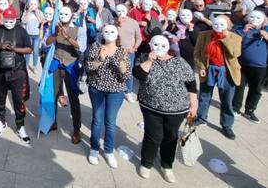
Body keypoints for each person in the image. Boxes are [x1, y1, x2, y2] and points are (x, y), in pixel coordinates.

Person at [134, 35, 198, 183]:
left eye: (163, 46)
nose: (159, 48)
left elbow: (191, 84)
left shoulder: (179, 62)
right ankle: (146, 163)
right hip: (150, 106)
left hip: (177, 109)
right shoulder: (143, 58)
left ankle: (166, 165)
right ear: (150, 44)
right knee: (153, 135)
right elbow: (138, 75)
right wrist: (150, 60)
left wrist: (193, 105)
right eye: (155, 44)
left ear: (169, 47)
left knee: (170, 137)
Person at [0, 7, 33, 144]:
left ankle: (20, 126)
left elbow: (29, 49)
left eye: (12, 20)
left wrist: (14, 49)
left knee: (19, 100)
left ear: (16, 19)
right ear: (3, 19)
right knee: (0, 98)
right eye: (7, 20)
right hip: (0, 71)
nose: (9, 23)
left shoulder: (21, 31)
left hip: (18, 71)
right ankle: (1, 121)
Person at [85, 24, 129, 168]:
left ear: (117, 35)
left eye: (112, 31)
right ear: (102, 34)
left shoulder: (122, 51)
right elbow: (89, 68)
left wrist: (121, 65)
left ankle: (109, 151)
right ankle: (94, 148)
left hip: (116, 92)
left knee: (110, 123)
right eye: (106, 31)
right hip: (97, 89)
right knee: (97, 120)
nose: (109, 34)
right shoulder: (96, 47)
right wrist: (100, 59)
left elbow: (127, 76)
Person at [194, 15, 242, 139]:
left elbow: (235, 53)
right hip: (209, 69)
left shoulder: (235, 37)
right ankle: (201, 118)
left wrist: (225, 38)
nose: (218, 27)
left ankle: (227, 126)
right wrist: (202, 67)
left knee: (226, 100)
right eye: (216, 24)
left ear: (228, 25)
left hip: (226, 72)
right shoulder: (204, 35)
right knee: (204, 96)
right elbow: (197, 53)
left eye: (222, 24)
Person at [45, 6, 82, 143]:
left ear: (72, 15)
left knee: (73, 99)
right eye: (61, 13)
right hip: (56, 64)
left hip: (71, 66)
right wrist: (55, 34)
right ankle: (53, 121)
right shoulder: (54, 27)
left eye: (67, 13)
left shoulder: (78, 29)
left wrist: (67, 37)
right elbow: (46, 43)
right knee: (53, 95)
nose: (63, 15)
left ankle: (77, 129)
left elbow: (81, 46)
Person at [233, 10, 267, 123]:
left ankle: (250, 110)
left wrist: (267, 37)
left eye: (258, 18)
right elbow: (231, 40)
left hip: (261, 66)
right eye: (252, 17)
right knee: (239, 87)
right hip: (242, 64)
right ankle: (235, 108)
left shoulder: (265, 30)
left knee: (256, 89)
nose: (254, 20)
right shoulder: (240, 28)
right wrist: (244, 31)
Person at [114, 4, 142, 103]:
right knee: (115, 70)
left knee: (128, 72)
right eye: (118, 10)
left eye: (122, 10)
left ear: (127, 11)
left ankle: (128, 92)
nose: (120, 12)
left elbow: (139, 38)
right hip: (115, 51)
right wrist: (117, 24)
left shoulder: (133, 22)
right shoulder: (113, 22)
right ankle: (116, 88)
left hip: (129, 52)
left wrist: (134, 48)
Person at [21, 0, 43, 71]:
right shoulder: (26, 12)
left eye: (35, 4)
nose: (33, 5)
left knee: (36, 51)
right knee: (28, 50)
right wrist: (28, 13)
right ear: (28, 5)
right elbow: (23, 21)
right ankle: (26, 65)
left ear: (37, 5)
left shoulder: (40, 12)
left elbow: (41, 22)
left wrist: (37, 14)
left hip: (36, 35)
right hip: (28, 34)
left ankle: (34, 66)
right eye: (31, 4)